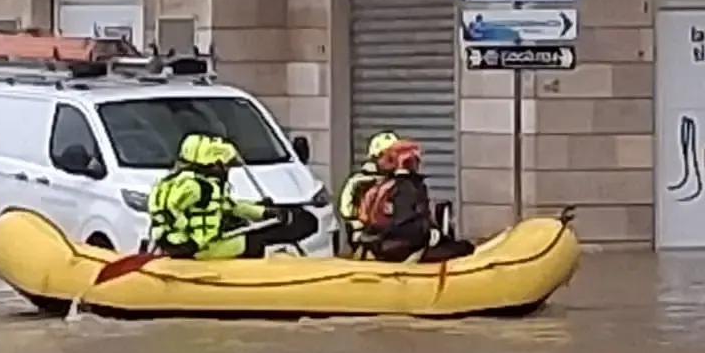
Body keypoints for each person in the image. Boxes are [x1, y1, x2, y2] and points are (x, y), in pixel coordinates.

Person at [147, 134, 317, 259]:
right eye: (226, 166)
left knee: (258, 233)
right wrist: (189, 242)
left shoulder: (171, 182)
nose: (228, 170)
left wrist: (265, 212)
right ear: (214, 164)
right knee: (257, 241)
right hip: (203, 250)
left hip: (173, 247)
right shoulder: (201, 187)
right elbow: (176, 211)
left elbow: (230, 206)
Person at [341, 134, 474, 263]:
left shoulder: (385, 184)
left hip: (380, 244)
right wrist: (431, 234)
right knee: (463, 249)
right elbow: (407, 224)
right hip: (399, 248)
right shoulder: (406, 187)